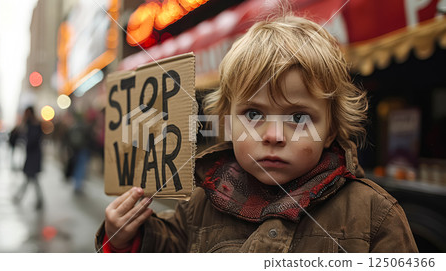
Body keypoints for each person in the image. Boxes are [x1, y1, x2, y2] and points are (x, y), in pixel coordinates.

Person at [95, 15, 418, 252]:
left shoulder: (373, 214)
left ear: (331, 129)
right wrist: (124, 236)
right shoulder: (199, 205)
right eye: (253, 114)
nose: (274, 134)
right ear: (227, 122)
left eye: (298, 116)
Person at [13, 106, 44, 210]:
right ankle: (38, 200)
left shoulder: (35, 124)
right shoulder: (29, 124)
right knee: (31, 179)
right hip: (31, 156)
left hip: (34, 156)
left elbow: (32, 140)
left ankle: (20, 197)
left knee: (31, 178)